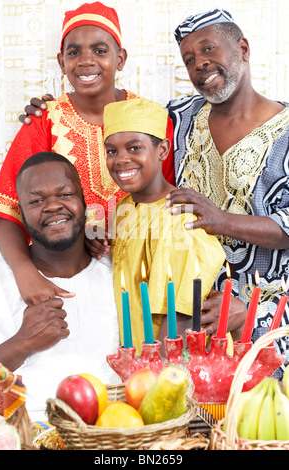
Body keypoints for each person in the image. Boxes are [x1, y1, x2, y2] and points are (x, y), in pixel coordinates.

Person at [0, 2, 175, 308]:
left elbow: (167, 202)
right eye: (74, 52)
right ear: (61, 62)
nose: (86, 61)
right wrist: (24, 272)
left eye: (100, 50)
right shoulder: (44, 120)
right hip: (65, 274)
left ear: (121, 58)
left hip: (144, 274)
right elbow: (6, 208)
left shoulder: (151, 120)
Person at [164, 9, 289, 377]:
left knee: (258, 425)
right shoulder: (179, 119)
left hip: (269, 315)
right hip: (195, 319)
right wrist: (49, 111)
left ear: (243, 49)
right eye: (189, 59)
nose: (200, 64)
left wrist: (222, 221)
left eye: (208, 50)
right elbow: (123, 127)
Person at [100, 97, 246, 354]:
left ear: (163, 150)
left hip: (168, 370)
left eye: (134, 148)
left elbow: (178, 324)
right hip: (133, 359)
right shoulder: (123, 207)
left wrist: (158, 381)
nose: (121, 159)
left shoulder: (179, 217)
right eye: (112, 150)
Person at [0, 151, 120, 423]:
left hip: (111, 433)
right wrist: (21, 343)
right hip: (20, 435)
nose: (52, 206)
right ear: (20, 214)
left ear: (84, 202)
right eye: (36, 200)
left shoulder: (120, 269)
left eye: (64, 195)